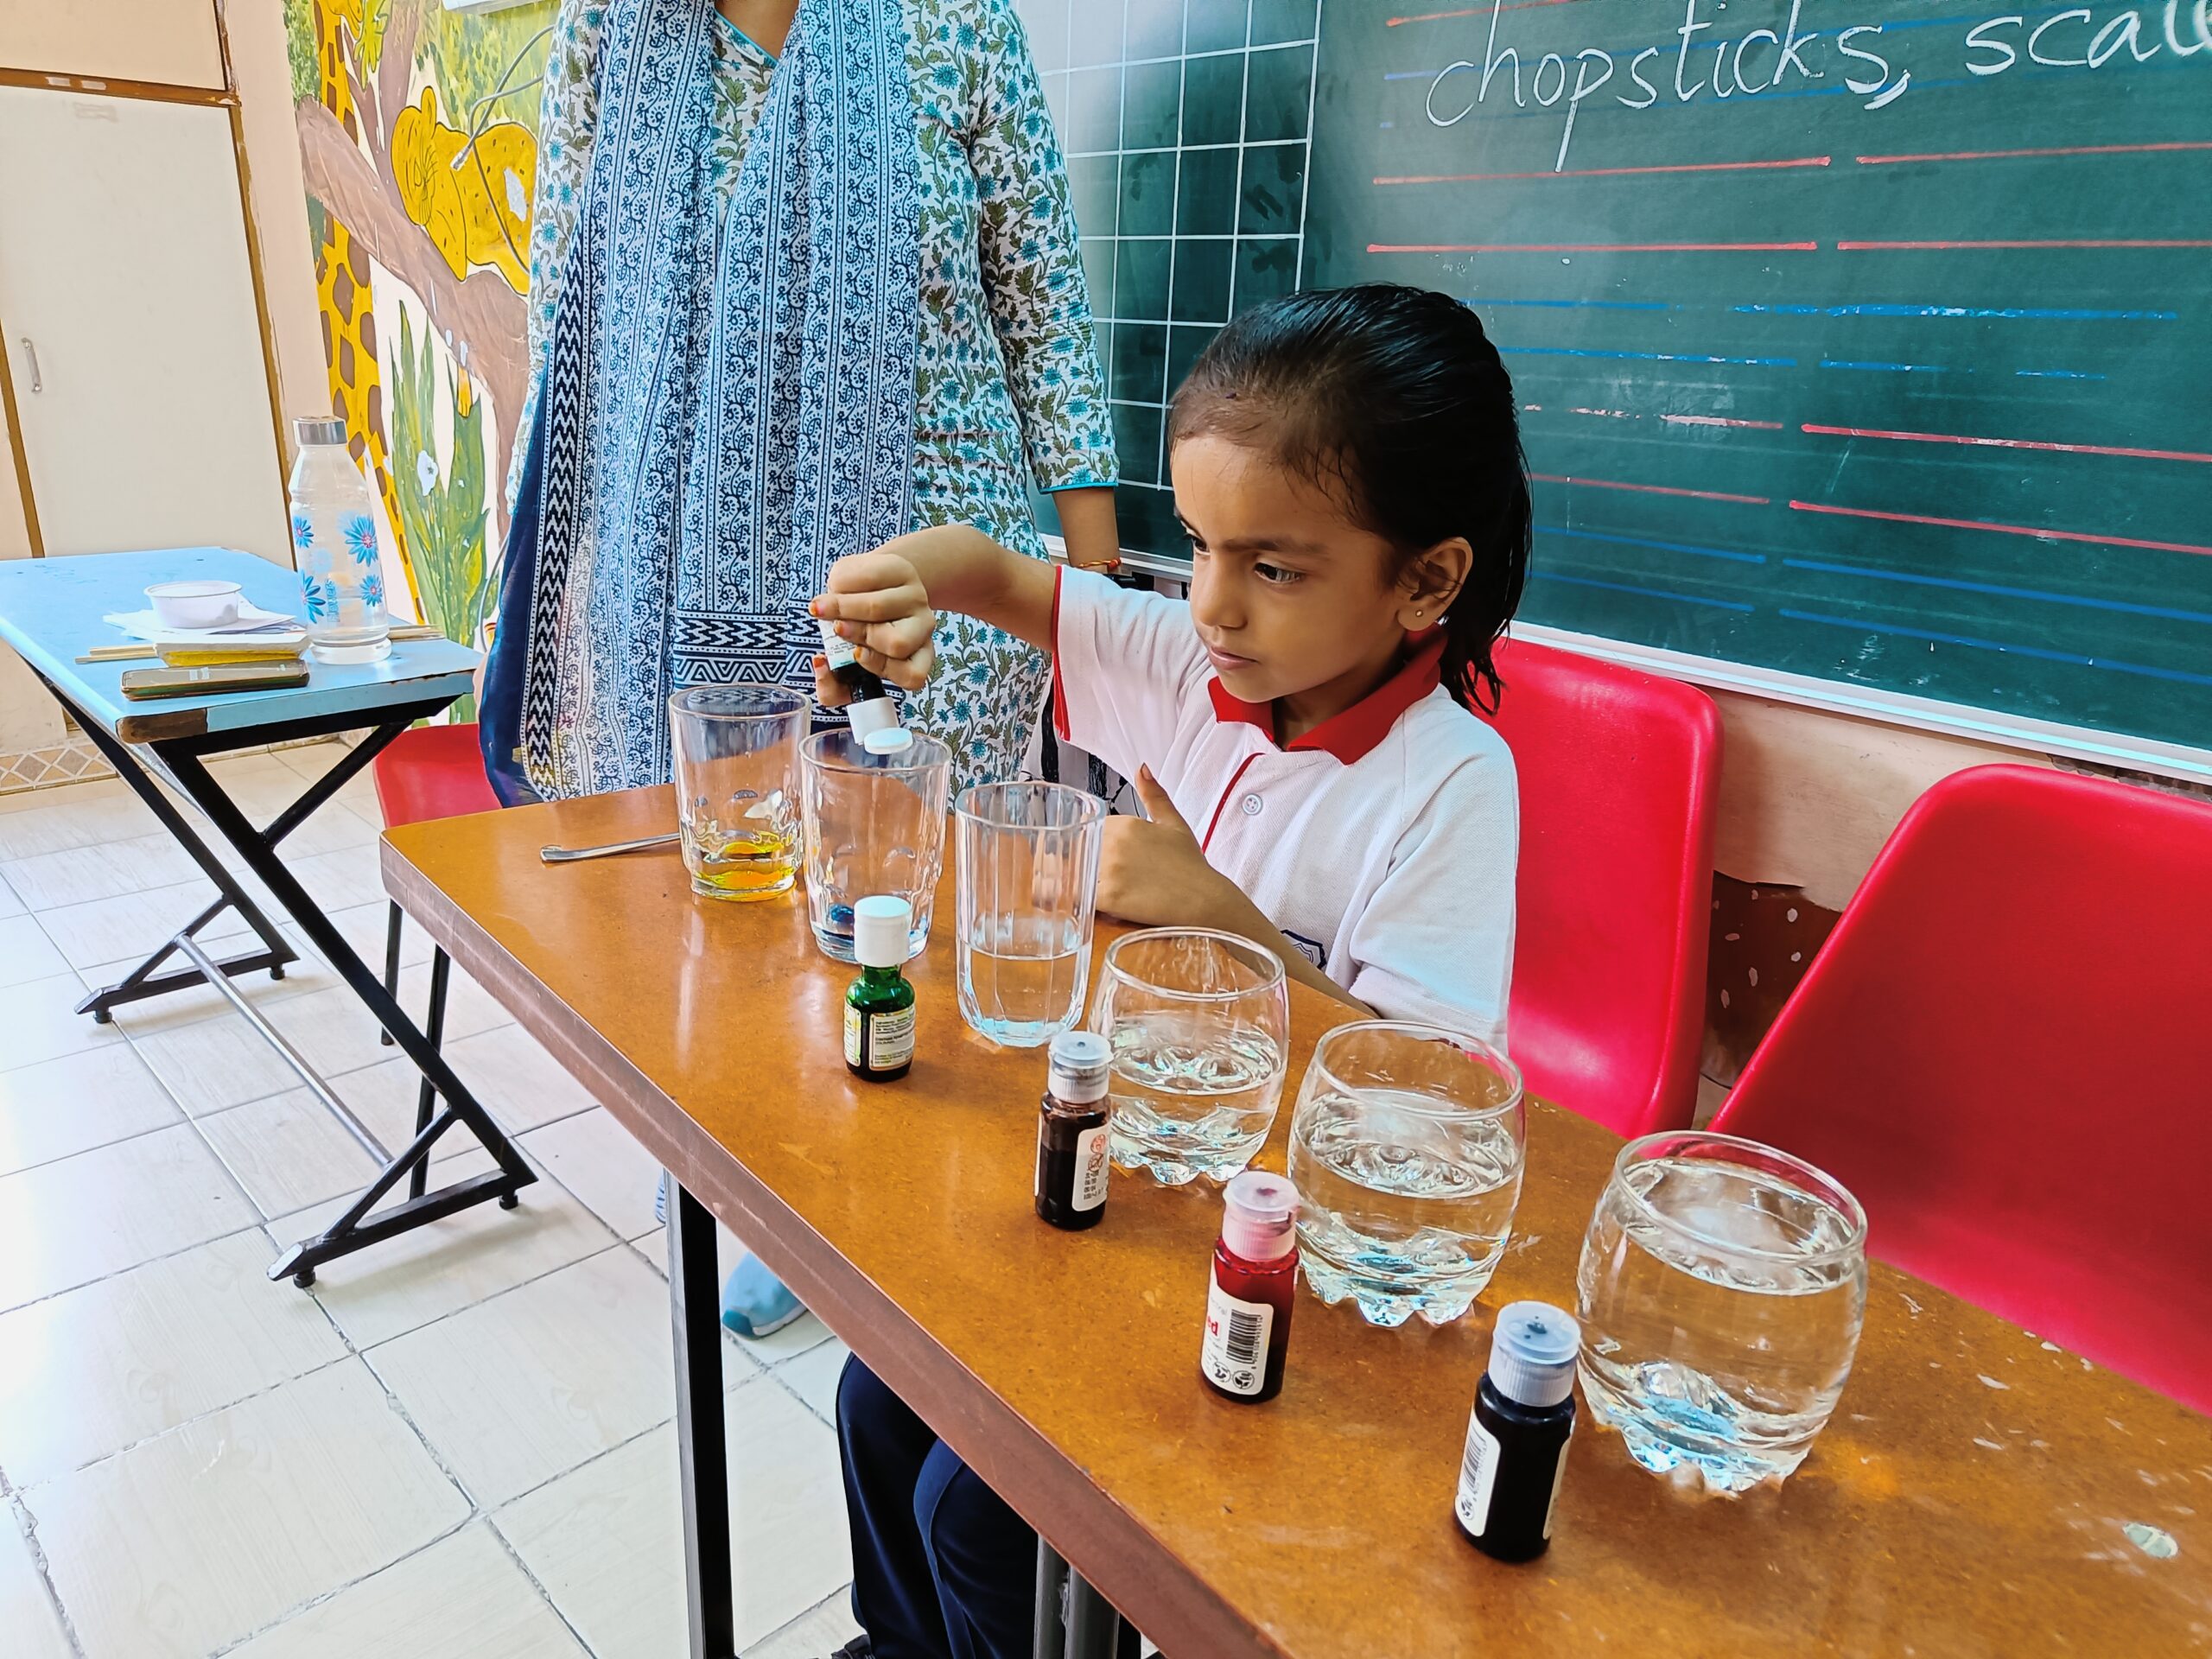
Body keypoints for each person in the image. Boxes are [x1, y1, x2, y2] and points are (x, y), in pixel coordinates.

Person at [809, 284, 1532, 1658]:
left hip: (1270, 1253)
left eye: (1274, 567)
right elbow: (999, 577)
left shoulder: (1451, 785)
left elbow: (1432, 1102)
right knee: (878, 1397)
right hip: (1129, 1179)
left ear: (1427, 581)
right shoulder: (1205, 668)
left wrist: (1222, 926)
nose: (1209, 603)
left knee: (978, 1509)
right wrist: (903, 581)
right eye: (1197, 544)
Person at [480, 0, 1120, 1338]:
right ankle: (762, 1165)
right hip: (686, 566)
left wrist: (1098, 608)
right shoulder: (614, 31)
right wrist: (570, 559)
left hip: (933, 584)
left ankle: (882, 1192)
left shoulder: (953, 21)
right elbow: (571, 315)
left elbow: (1045, 307)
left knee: (896, 904)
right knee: (733, 896)